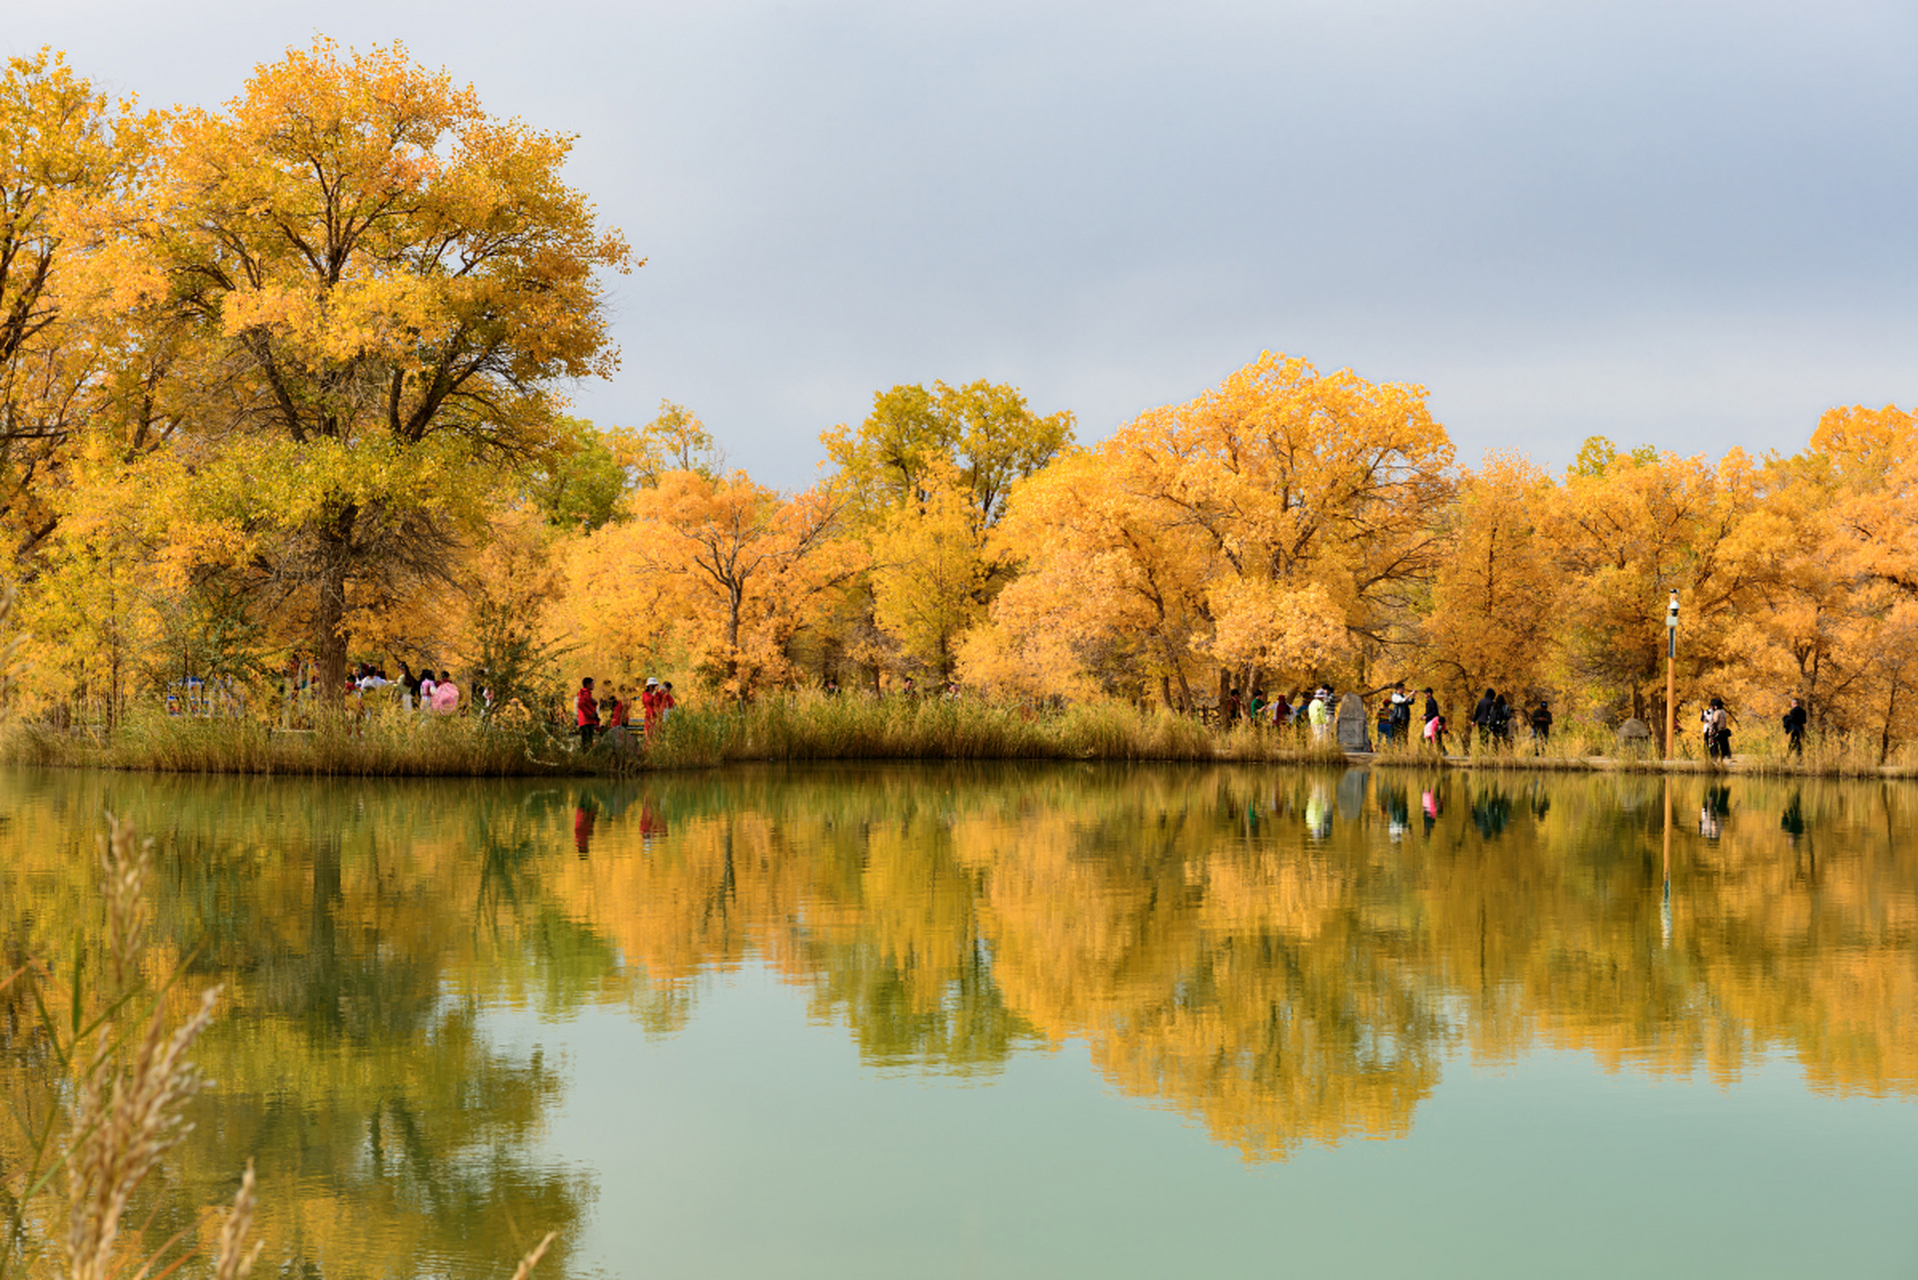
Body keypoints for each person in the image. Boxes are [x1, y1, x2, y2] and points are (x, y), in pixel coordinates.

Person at [576, 676, 600, 750]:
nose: (593, 685)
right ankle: (586, 757)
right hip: (586, 721)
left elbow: (589, 706)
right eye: (592, 684)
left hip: (585, 721)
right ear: (587, 684)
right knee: (587, 741)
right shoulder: (586, 694)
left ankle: (586, 756)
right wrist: (590, 714)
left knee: (586, 741)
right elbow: (580, 704)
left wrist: (595, 703)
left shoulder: (585, 694)